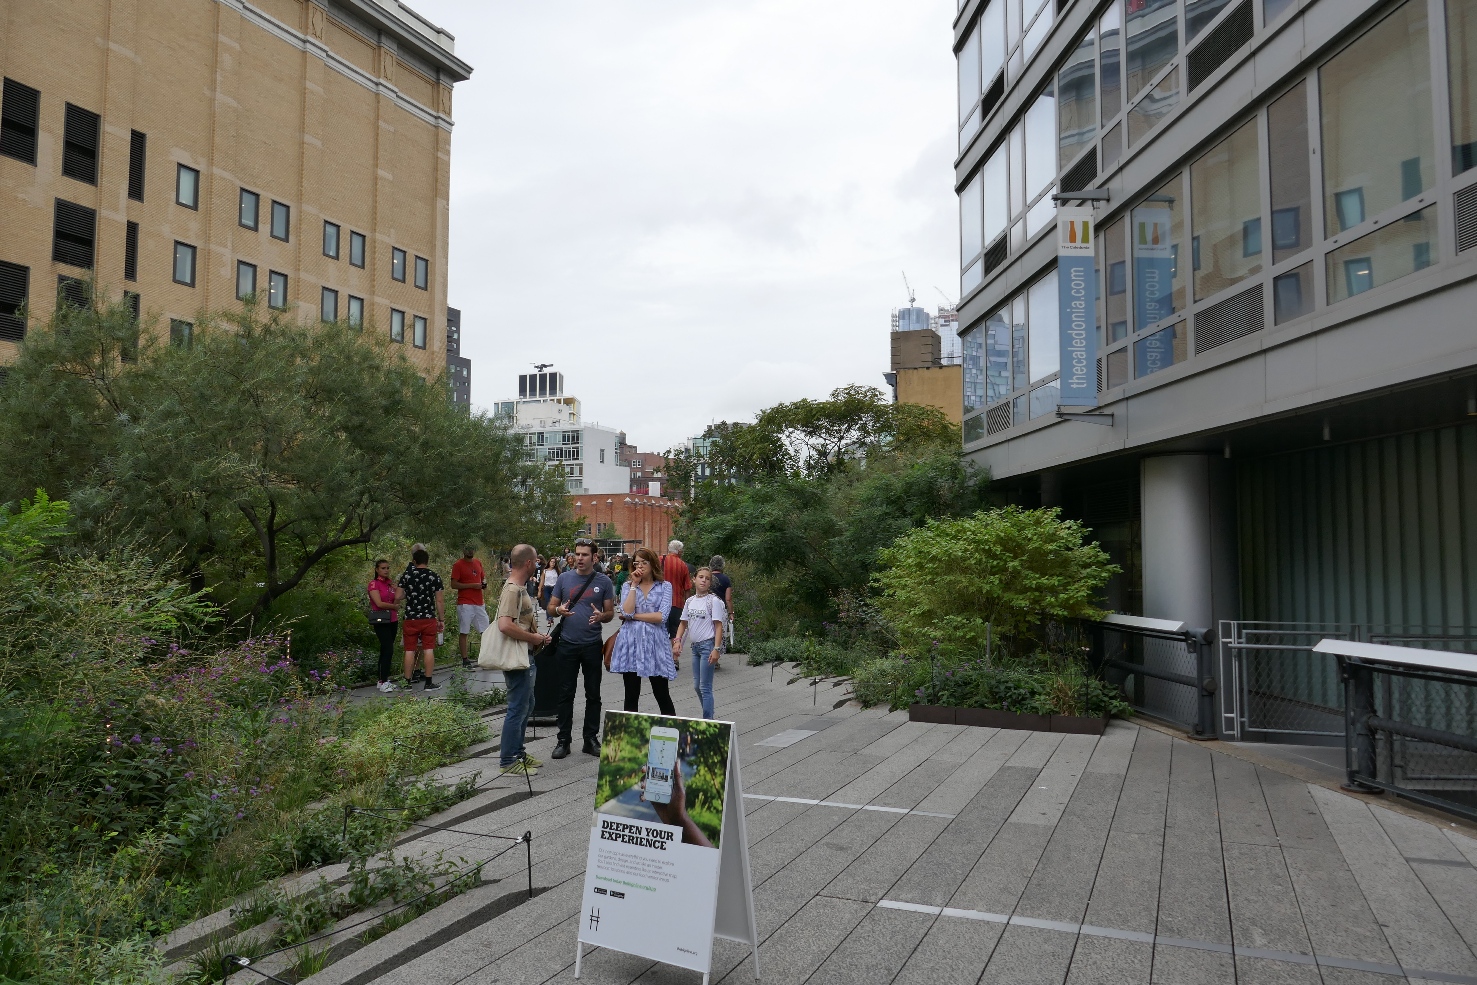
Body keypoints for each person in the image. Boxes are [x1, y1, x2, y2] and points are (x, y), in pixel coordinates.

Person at [548, 538, 615, 759]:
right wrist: (558, 610)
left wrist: (602, 616)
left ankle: (590, 739)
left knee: (593, 694)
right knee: (565, 693)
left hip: (592, 644)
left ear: (594, 557)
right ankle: (563, 740)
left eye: (584, 554)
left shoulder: (604, 581)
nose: (579, 558)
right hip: (567, 644)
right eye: (577, 554)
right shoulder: (564, 578)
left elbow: (610, 613)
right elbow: (550, 606)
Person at [496, 544, 551, 776]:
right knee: (518, 707)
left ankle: (518, 752)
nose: (538, 564)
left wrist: (537, 638)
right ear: (528, 563)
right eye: (536, 561)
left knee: (526, 704)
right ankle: (508, 760)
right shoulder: (512, 590)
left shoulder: (519, 588)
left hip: (525, 655)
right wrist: (533, 637)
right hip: (517, 657)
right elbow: (504, 625)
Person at [610, 547, 676, 716]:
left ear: (652, 564)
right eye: (636, 563)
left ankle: (671, 729)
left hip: (655, 643)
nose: (639, 566)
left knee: (661, 692)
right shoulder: (628, 586)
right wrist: (634, 585)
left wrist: (635, 616)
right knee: (631, 694)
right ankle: (630, 731)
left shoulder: (665, 586)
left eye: (644, 562)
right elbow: (626, 612)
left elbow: (661, 616)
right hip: (631, 642)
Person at [673, 566, 725, 719]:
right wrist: (677, 641)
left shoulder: (713, 601)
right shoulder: (690, 601)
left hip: (707, 645)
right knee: (697, 686)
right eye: (701, 577)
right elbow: (683, 623)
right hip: (695, 647)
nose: (704, 580)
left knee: (705, 686)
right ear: (694, 579)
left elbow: (718, 625)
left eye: (707, 578)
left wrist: (716, 648)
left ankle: (708, 721)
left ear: (710, 583)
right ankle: (709, 715)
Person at [398, 548, 445, 690]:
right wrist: (441, 619)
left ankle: (406, 682)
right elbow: (439, 601)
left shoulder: (407, 576)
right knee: (428, 649)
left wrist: (410, 593)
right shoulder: (434, 576)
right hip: (428, 618)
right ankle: (428, 682)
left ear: (414, 561)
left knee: (409, 650)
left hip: (410, 618)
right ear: (427, 561)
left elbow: (398, 596)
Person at [450, 545, 490, 668]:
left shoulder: (478, 562)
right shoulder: (458, 565)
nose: (470, 551)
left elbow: (482, 578)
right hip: (465, 602)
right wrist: (472, 585)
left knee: (486, 631)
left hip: (479, 602)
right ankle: (465, 660)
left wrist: (484, 584)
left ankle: (486, 657)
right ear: (463, 550)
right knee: (464, 631)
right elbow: (453, 584)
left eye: (472, 549)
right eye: (467, 549)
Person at [366, 559, 402, 693]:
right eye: (383, 568)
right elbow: (379, 603)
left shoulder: (390, 584)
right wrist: (394, 606)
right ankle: (383, 681)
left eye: (387, 568)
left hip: (392, 619)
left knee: (385, 649)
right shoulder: (374, 584)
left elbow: (398, 598)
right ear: (377, 569)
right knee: (388, 649)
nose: (386, 570)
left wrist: (398, 589)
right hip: (381, 620)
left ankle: (382, 679)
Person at [661, 539, 692, 639]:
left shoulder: (659, 560)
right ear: (679, 551)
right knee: (675, 635)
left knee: (661, 633)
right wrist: (688, 607)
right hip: (677, 604)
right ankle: (674, 649)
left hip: (660, 603)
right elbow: (687, 589)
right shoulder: (683, 565)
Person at [709, 555, 733, 670]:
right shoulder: (726, 579)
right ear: (722, 565)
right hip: (721, 609)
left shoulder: (707, 577)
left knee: (708, 633)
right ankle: (716, 660)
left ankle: (707, 656)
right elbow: (728, 599)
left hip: (708, 609)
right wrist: (731, 612)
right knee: (719, 633)